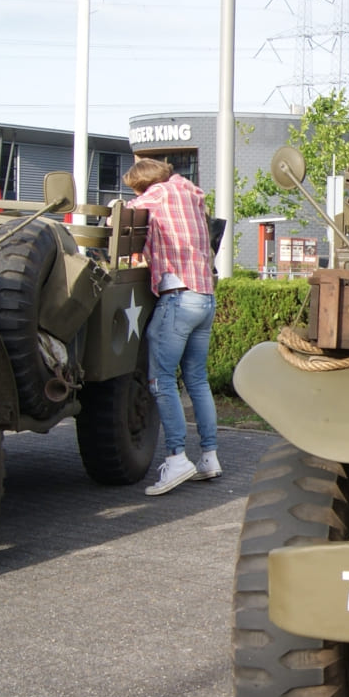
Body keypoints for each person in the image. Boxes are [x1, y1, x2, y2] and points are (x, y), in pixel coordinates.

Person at [123, 157, 222, 495]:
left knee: (160, 379)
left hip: (178, 297)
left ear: (143, 184)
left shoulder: (157, 196)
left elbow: (123, 214)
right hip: (206, 297)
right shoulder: (192, 193)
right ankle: (209, 456)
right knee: (197, 379)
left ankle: (177, 458)